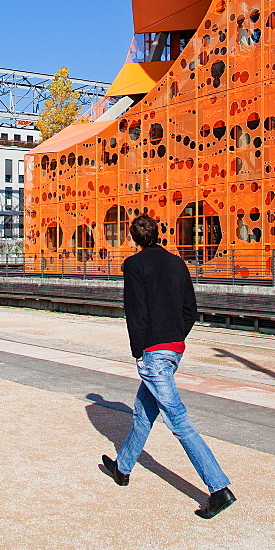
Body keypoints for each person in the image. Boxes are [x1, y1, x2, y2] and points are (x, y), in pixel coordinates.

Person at [102, 213, 236, 520]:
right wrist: (175, 337)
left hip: (155, 353)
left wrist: (141, 351)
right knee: (142, 412)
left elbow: (135, 312)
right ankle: (123, 469)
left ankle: (218, 489)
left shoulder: (134, 265)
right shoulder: (178, 264)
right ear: (159, 233)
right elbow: (191, 309)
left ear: (133, 237)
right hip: (174, 348)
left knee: (178, 421)